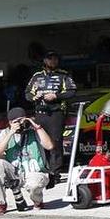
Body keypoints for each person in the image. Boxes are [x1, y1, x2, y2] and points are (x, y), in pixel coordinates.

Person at [0, 107, 54, 215]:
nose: (21, 124)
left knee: (34, 185)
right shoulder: (6, 132)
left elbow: (50, 146)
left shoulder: (34, 131)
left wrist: (37, 127)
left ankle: (37, 201)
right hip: (14, 173)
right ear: (10, 123)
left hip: (34, 172)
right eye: (17, 121)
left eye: (23, 120)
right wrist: (11, 132)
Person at [25, 50, 76, 184]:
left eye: (55, 59)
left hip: (56, 114)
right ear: (45, 60)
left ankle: (55, 174)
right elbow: (27, 94)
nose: (52, 61)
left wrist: (56, 96)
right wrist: (34, 97)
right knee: (40, 143)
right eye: (50, 59)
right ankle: (43, 170)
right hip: (40, 114)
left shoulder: (63, 75)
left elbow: (72, 92)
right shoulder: (36, 76)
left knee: (55, 143)